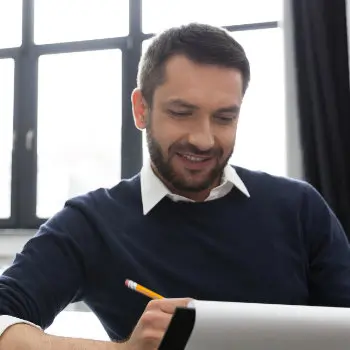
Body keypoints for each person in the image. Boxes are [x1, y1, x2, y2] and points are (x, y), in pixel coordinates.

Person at [1, 22, 350, 350]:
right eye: (182, 113)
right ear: (141, 110)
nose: (203, 139)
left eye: (225, 117)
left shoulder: (300, 208)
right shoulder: (91, 224)